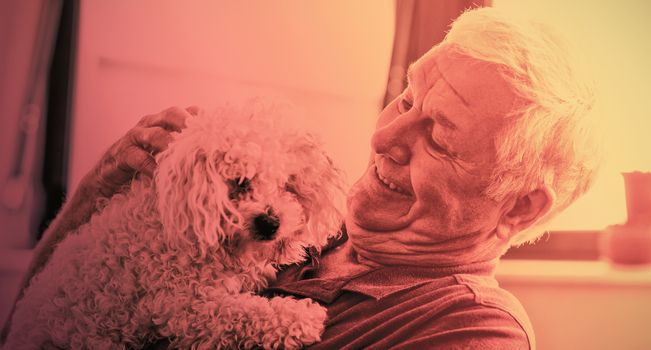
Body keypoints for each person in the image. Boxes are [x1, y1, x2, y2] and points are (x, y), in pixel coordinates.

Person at [2, 7, 600, 349]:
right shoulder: (307, 225)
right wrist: (92, 197)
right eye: (406, 98)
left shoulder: (469, 330)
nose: (385, 138)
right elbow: (24, 326)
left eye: (439, 137)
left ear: (520, 208)